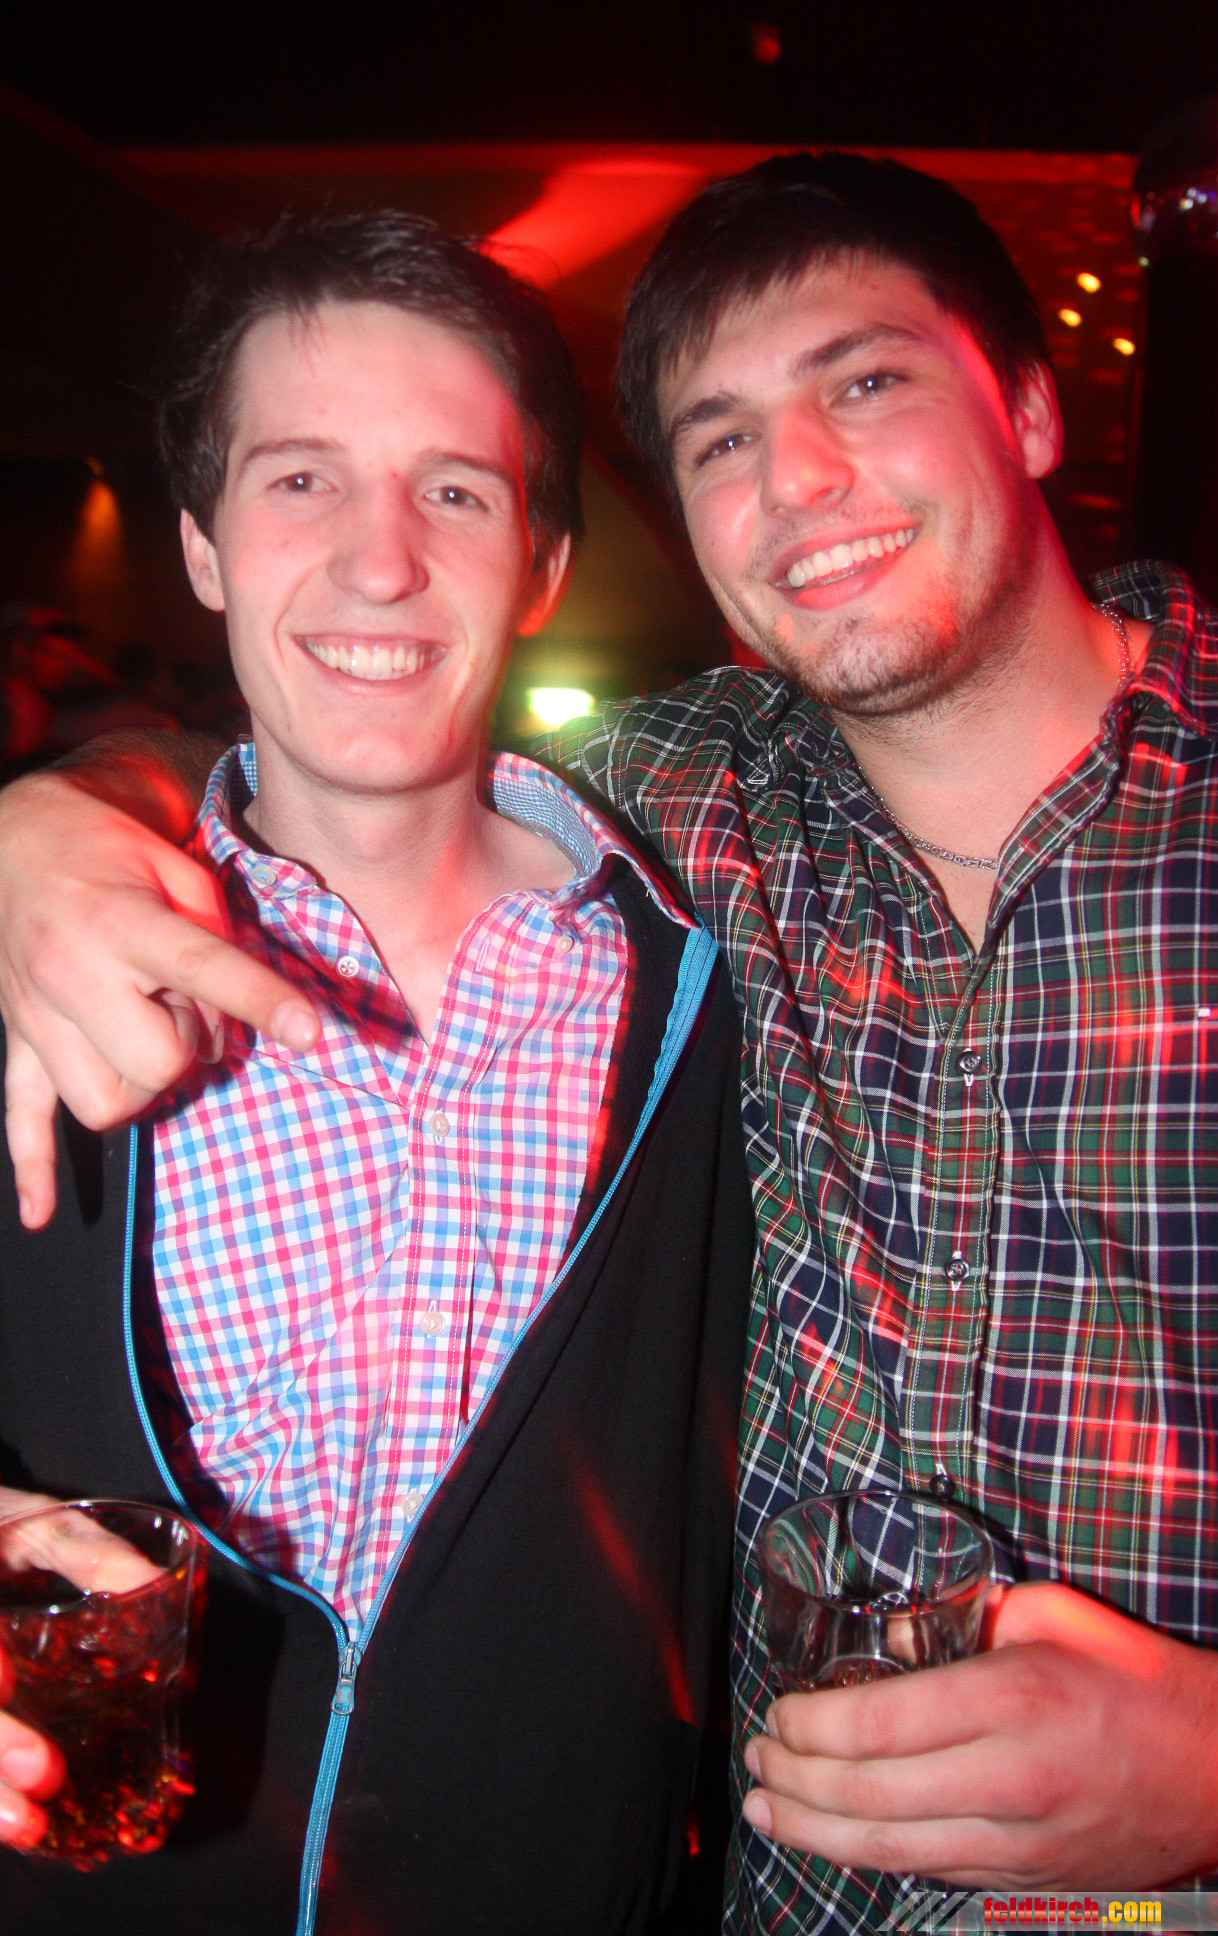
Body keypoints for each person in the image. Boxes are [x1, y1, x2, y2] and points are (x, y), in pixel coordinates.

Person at [2, 151, 1218, 1931]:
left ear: (1033, 405)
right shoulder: (700, 824)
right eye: (720, 437)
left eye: (865, 382)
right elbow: (338, 738)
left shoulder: (693, 910)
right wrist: (56, 813)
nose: (799, 477)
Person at [0, 210, 753, 1936]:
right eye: (301, 481)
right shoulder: (36, 948)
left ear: (541, 564)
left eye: (456, 493)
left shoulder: (707, 998)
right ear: (202, 547)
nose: (382, 562)